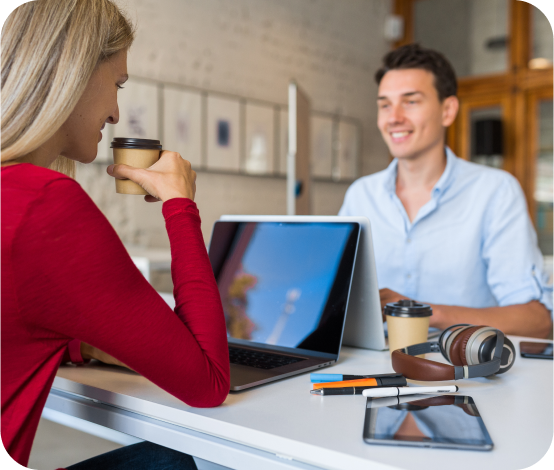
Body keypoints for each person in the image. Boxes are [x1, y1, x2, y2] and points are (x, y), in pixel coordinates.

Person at [0, 1, 230, 468]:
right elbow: (208, 383)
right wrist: (180, 206)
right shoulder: (44, 203)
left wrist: (75, 346)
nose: (115, 114)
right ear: (74, 73)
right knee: (184, 460)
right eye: (117, 85)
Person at [339, 43, 552, 339]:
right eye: (385, 104)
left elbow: (537, 323)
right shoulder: (361, 195)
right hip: (369, 374)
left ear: (448, 110)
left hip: (466, 377)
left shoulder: (495, 192)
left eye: (410, 102)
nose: (394, 117)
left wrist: (424, 312)